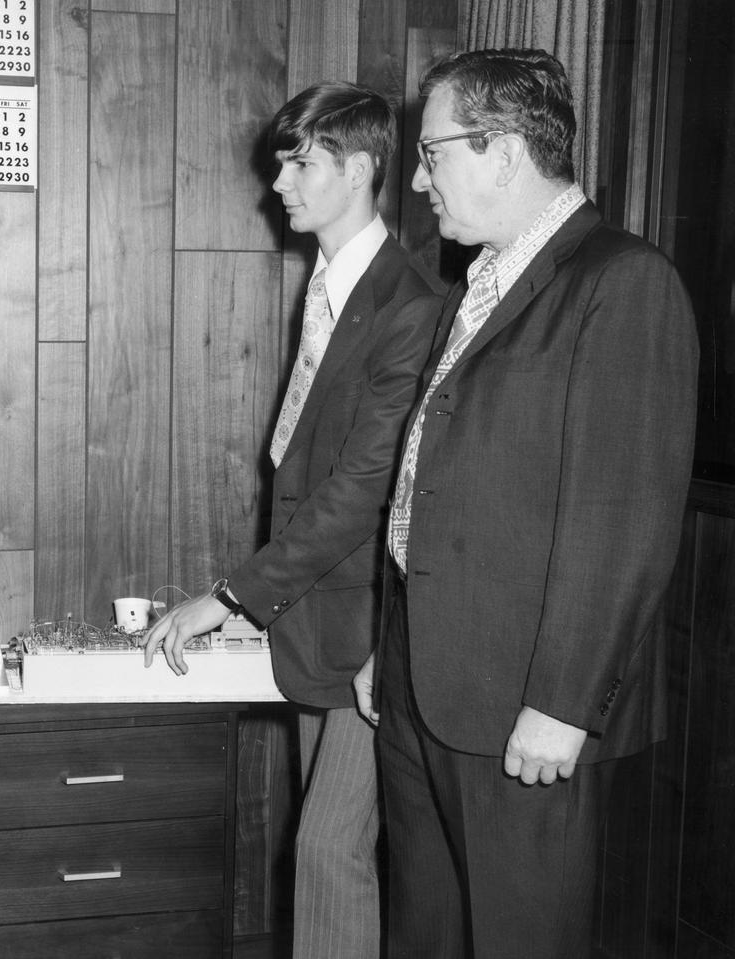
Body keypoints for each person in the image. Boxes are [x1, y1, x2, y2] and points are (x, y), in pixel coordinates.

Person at [352, 49, 699, 959]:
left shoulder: (622, 282)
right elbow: (437, 482)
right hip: (425, 685)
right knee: (423, 935)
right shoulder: (478, 281)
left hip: (524, 710)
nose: (418, 181)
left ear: (503, 152)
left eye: (432, 154)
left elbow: (622, 520)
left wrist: (564, 703)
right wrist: (394, 642)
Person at [141, 82, 443, 959]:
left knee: (327, 850)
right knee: (332, 855)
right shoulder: (331, 286)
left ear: (359, 169)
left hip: (372, 631)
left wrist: (228, 597)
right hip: (316, 621)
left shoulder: (410, 306)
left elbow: (360, 492)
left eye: (301, 163)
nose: (279, 183)